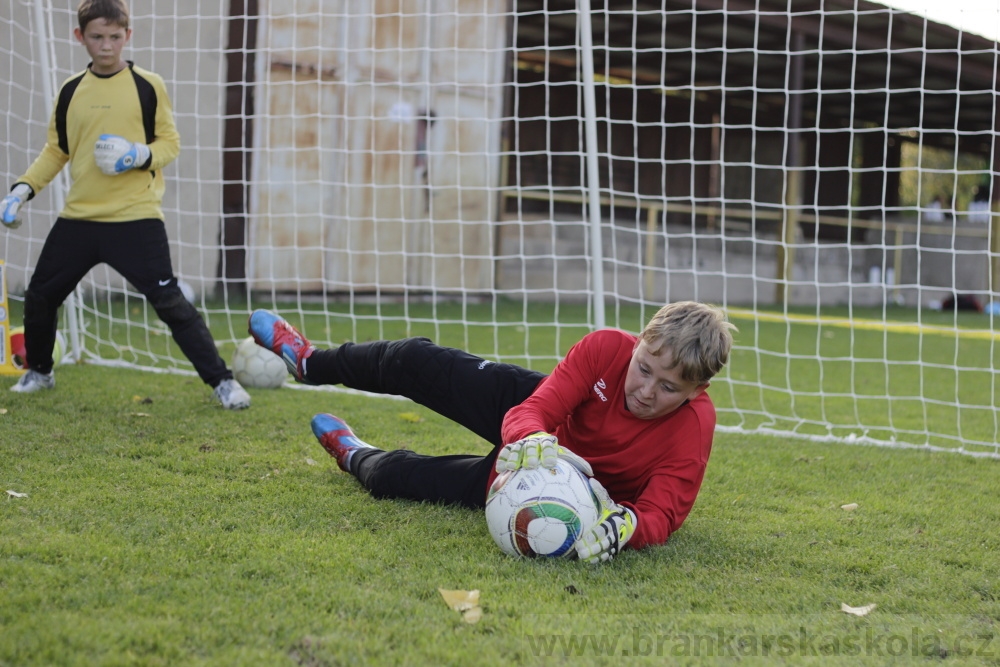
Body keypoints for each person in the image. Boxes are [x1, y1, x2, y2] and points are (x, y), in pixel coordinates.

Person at [248, 301, 736, 562]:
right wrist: (531, 438)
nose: (647, 391)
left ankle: (353, 453)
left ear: (697, 391)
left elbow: (661, 513)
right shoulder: (607, 347)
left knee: (400, 481)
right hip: (537, 430)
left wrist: (626, 527)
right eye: (644, 368)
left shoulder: (694, 425)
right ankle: (311, 362)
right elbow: (537, 406)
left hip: (562, 485)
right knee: (416, 360)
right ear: (639, 344)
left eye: (669, 387)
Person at [0, 0, 250, 409]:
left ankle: (222, 382)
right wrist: (22, 189)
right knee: (42, 295)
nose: (106, 46)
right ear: (80, 37)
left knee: (169, 301)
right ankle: (40, 372)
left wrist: (137, 154)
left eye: (115, 37)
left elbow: (170, 143)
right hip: (79, 218)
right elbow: (56, 150)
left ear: (127, 36)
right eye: (97, 37)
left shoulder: (147, 85)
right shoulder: (70, 91)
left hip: (136, 218)